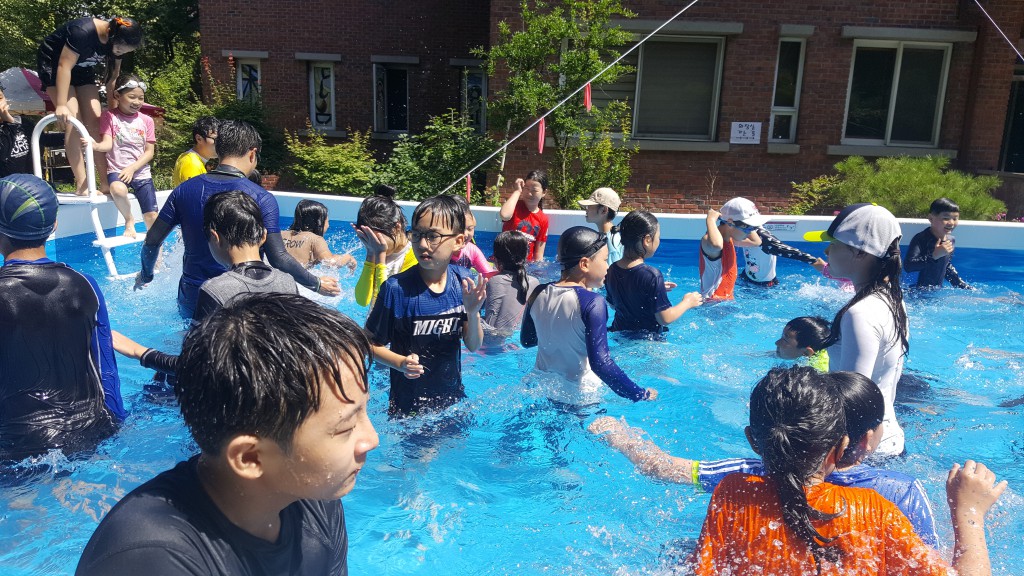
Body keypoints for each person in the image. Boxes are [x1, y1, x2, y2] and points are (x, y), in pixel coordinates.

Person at [75, 293, 380, 575]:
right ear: (250, 458)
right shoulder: (148, 559)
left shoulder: (314, 497)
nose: (372, 439)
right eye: (346, 427)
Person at [684, 366, 1005, 575]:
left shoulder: (732, 494)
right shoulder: (873, 511)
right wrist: (969, 514)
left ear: (753, 441)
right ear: (841, 447)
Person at [589, 371, 940, 547]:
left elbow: (662, 468)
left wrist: (618, 435)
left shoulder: (752, 474)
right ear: (868, 439)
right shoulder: (900, 492)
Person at [135, 120, 340, 317]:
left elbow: (152, 241)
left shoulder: (184, 190)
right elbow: (278, 258)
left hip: (193, 296)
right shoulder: (261, 198)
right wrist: (316, 284)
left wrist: (146, 275)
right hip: (240, 296)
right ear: (252, 154)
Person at [0, 174, 123, 462]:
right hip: (89, 436)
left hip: (15, 450)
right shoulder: (86, 285)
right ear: (54, 224)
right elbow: (106, 371)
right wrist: (116, 426)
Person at [365, 195, 487, 417]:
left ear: (459, 241)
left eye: (433, 236)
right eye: (417, 235)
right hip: (408, 408)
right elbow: (368, 344)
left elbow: (473, 345)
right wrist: (400, 363)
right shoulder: (396, 289)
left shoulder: (463, 282)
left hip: (452, 401)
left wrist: (472, 312)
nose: (422, 244)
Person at [805, 203, 909, 457]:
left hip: (863, 451)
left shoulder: (859, 313)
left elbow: (853, 400)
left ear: (861, 253)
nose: (826, 250)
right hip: (888, 440)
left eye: (834, 244)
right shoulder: (893, 298)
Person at [521, 226, 657, 405]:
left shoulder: (538, 292)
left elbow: (527, 341)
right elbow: (601, 364)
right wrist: (639, 394)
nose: (608, 266)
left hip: (540, 387)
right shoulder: (593, 302)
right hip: (579, 396)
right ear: (584, 264)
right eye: (605, 260)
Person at [37, 16, 143, 195]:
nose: (120, 52)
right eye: (119, 49)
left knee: (97, 123)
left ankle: (105, 182)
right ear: (110, 34)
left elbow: (112, 79)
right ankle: (82, 184)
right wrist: (61, 104)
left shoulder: (118, 43)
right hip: (55, 65)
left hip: (82, 67)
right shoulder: (82, 32)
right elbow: (64, 66)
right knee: (73, 120)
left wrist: (114, 111)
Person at [605, 210, 702, 333]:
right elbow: (665, 319)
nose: (659, 241)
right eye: (658, 237)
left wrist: (653, 289)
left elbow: (614, 305)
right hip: (647, 340)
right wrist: (688, 302)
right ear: (647, 240)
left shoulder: (612, 269)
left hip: (619, 333)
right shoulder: (652, 275)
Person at [84, 74, 156, 237]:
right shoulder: (109, 116)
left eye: (141, 98)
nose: (137, 102)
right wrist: (95, 146)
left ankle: (157, 250)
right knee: (117, 189)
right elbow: (107, 144)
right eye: (132, 97)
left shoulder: (147, 121)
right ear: (117, 95)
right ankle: (129, 220)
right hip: (117, 170)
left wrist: (132, 168)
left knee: (152, 217)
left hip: (140, 172)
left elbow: (149, 152)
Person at [723, 197, 825, 286]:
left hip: (765, 283)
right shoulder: (740, 230)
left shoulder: (763, 237)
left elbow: (786, 250)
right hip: (746, 276)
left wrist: (813, 261)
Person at [353, 184, 416, 307]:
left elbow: (390, 302)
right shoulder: (374, 250)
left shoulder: (415, 255)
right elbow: (362, 300)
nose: (373, 243)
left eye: (376, 238)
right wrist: (370, 254)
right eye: (368, 238)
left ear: (397, 228)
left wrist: (380, 256)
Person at [482, 231, 539, 348]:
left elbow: (490, 330)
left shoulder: (495, 281)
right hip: (520, 344)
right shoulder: (535, 283)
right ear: (526, 256)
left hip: (494, 346)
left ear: (496, 259)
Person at [698, 198, 762, 300]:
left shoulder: (731, 239)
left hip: (726, 301)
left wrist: (750, 224)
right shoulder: (708, 241)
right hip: (711, 304)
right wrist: (710, 220)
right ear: (730, 223)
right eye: (748, 228)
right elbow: (716, 245)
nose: (750, 232)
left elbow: (756, 242)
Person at [0, 82, 65, 178]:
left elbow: (45, 139)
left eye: (0, 98)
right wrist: (9, 122)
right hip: (7, 185)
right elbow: (4, 156)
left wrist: (70, 137)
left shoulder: (23, 122)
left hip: (32, 182)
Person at [905, 197, 971, 290]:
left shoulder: (950, 240)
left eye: (955, 218)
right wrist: (933, 256)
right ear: (931, 218)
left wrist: (962, 286)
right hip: (917, 291)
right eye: (946, 218)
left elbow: (946, 266)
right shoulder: (921, 239)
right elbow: (908, 266)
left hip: (936, 291)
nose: (951, 223)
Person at [281, 199, 356, 269]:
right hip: (296, 278)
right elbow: (330, 262)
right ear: (319, 223)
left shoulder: (280, 234)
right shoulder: (315, 239)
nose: (328, 225)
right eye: (327, 221)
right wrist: (348, 258)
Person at [499, 170, 549, 262]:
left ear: (544, 192)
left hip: (524, 265)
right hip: (503, 261)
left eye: (534, 190)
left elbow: (538, 254)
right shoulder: (515, 206)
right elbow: (504, 215)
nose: (529, 193)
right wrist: (517, 191)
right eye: (526, 188)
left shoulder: (543, 219)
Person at [450, 194, 494, 276]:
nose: (465, 234)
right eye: (460, 229)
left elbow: (490, 275)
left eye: (470, 229)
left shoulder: (471, 250)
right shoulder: (438, 251)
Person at [579, 187, 624, 264]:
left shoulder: (611, 243)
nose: (586, 209)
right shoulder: (609, 237)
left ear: (604, 210)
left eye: (590, 206)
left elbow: (613, 270)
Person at [171, 115, 219, 187]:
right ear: (199, 139)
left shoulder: (188, 157)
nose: (220, 143)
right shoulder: (191, 164)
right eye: (216, 139)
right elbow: (194, 193)